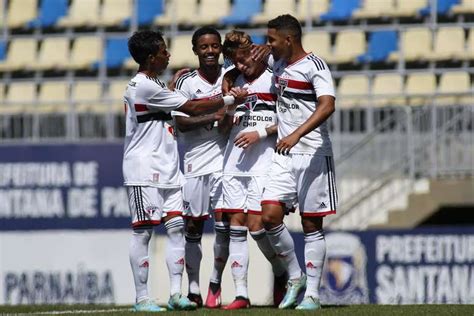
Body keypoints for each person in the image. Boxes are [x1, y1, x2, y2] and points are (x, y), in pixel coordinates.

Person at [123, 30, 247, 312]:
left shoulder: (155, 84)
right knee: (143, 233)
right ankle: (142, 298)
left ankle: (177, 293)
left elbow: (173, 103)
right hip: (144, 170)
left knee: (177, 229)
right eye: (164, 51)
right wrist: (229, 100)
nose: (168, 55)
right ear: (152, 57)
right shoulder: (142, 86)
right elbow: (191, 106)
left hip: (168, 169)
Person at [260, 14, 338, 310]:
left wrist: (295, 134)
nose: (268, 45)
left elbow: (328, 104)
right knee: (269, 216)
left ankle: (313, 296)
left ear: (288, 39)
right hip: (284, 154)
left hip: (313, 152)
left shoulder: (314, 66)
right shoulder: (276, 62)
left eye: (271, 40)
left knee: (310, 224)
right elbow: (247, 62)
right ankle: (296, 277)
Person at [217, 30, 288, 310]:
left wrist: (260, 132)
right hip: (233, 163)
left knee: (258, 227)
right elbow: (223, 129)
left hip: (264, 161)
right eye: (237, 62)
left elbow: (291, 120)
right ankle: (241, 294)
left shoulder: (274, 78)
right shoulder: (231, 81)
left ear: (256, 54)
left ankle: (282, 271)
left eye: (245, 61)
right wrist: (230, 105)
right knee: (236, 225)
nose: (242, 67)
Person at [171, 26, 230, 308]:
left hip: (226, 160)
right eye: (204, 47)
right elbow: (180, 122)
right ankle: (193, 289)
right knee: (193, 226)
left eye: (214, 46)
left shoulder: (230, 76)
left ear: (220, 48)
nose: (210, 51)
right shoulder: (186, 82)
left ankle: (215, 284)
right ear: (195, 50)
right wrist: (212, 114)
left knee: (225, 225)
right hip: (195, 160)